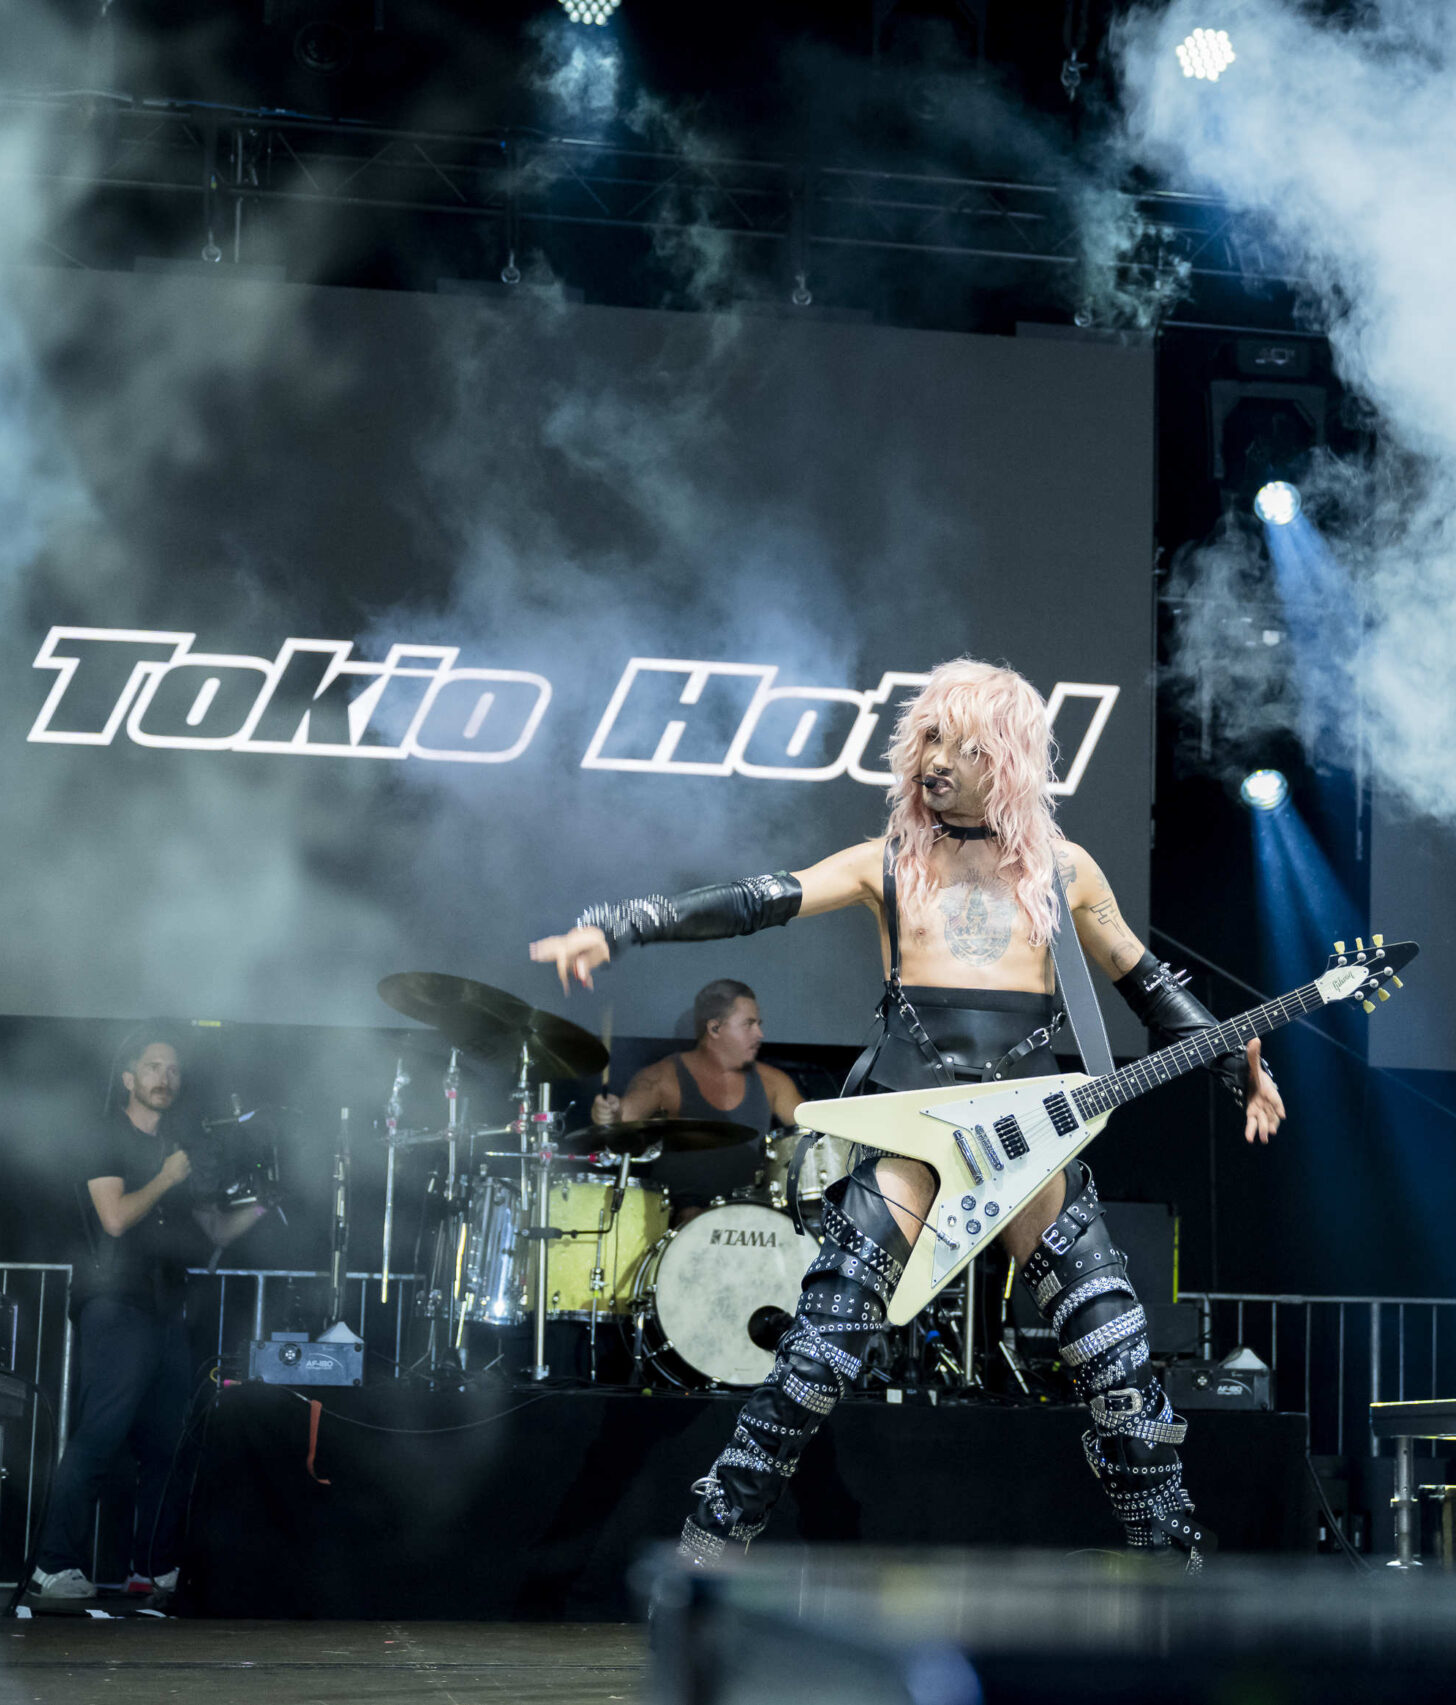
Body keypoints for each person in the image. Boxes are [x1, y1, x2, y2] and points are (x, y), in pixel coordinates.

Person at [533, 657, 1286, 1568]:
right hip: (913, 1133)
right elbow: (753, 902)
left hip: (1027, 1136)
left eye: (960, 744)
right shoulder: (890, 862)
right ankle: (708, 1549)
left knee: (1114, 1353)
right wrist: (622, 925)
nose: (934, 760)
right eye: (925, 737)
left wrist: (1237, 1068)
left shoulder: (1064, 870)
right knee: (819, 1351)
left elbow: (1150, 986)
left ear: (1002, 754)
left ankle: (1173, 1563)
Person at [31, 1031, 265, 1602]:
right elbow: (113, 1218)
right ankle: (51, 1567)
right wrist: (166, 1178)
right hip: (114, 1304)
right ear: (129, 1079)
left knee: (167, 1445)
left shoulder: (179, 1151)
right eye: (153, 1067)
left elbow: (212, 1234)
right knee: (100, 1436)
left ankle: (151, 1569)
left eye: (173, 1070)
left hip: (165, 1309)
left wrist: (263, 1204)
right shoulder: (107, 1138)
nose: (165, 1077)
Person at [593, 978, 804, 1221]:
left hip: (753, 1220)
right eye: (749, 1024)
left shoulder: (774, 1082)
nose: (760, 1033)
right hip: (679, 1221)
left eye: (759, 1024)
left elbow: (816, 1137)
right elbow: (624, 1118)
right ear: (714, 1029)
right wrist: (609, 1112)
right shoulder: (664, 1077)